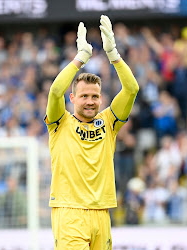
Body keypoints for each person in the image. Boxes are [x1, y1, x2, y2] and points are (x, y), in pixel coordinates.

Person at [44, 15, 139, 249]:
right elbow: (55, 91)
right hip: (69, 212)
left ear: (101, 98)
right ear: (73, 98)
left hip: (101, 212)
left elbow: (132, 88)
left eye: (95, 96)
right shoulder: (59, 122)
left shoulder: (108, 122)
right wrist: (80, 58)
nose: (90, 101)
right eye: (84, 96)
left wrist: (113, 55)